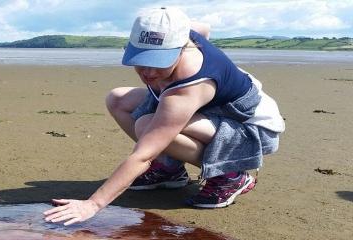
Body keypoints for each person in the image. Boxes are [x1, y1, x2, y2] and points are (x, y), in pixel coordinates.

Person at [43, 6, 284, 226]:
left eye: (159, 62)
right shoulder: (180, 33)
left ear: (180, 48)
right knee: (118, 100)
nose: (148, 72)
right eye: (142, 60)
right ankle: (170, 168)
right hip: (207, 111)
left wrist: (92, 204)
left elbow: (142, 155)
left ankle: (230, 174)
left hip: (249, 126)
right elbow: (204, 28)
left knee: (147, 125)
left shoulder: (188, 88)